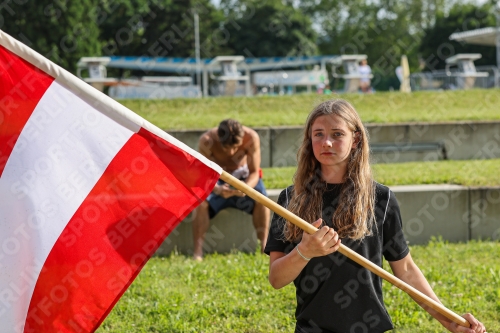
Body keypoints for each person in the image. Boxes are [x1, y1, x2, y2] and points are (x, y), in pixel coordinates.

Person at [264, 99, 486, 333]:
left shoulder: (380, 198)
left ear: (356, 139)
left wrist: (450, 322)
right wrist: (304, 252)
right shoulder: (291, 199)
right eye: (318, 134)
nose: (326, 142)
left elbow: (406, 271)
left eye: (337, 134)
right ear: (309, 139)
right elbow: (276, 279)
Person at [192, 119, 270, 261]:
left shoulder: (251, 137)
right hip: (217, 178)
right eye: (227, 148)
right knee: (201, 203)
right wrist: (217, 189)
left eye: (236, 147)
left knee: (263, 200)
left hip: (244, 176)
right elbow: (204, 176)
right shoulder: (206, 141)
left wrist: (245, 188)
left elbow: (254, 173)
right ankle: (198, 250)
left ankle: (264, 245)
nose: (232, 152)